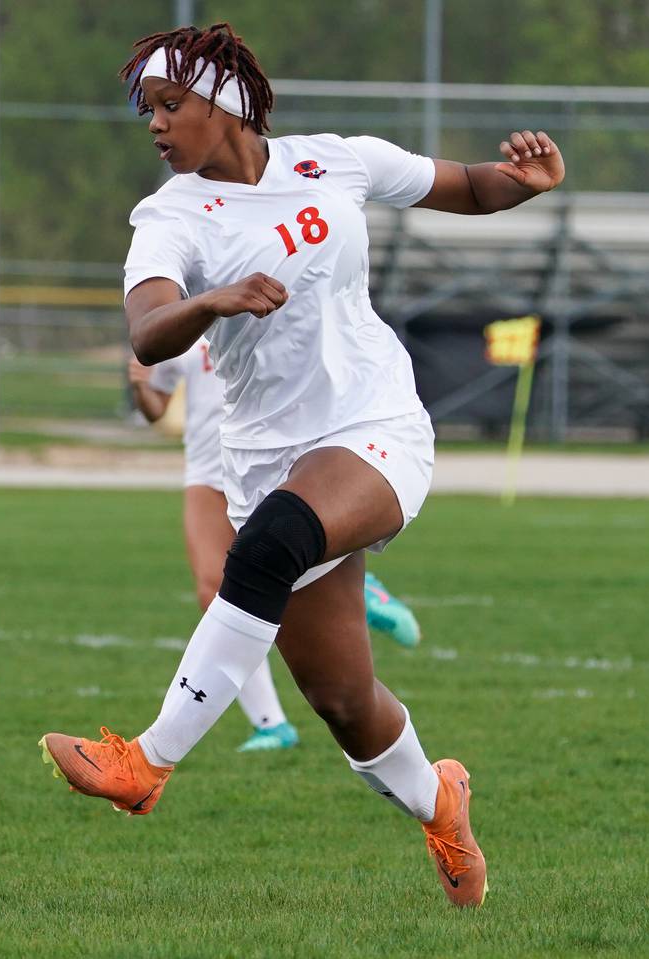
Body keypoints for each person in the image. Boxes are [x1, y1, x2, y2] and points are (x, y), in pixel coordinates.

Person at [42, 22, 563, 907]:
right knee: (345, 702)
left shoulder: (338, 160)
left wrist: (523, 182)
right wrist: (211, 300)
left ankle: (146, 761)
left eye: (172, 105)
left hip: (378, 430)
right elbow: (146, 326)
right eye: (149, 113)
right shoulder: (168, 216)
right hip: (264, 463)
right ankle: (442, 804)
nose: (158, 126)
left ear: (229, 101)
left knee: (271, 543)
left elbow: (468, 187)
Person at [128, 341, 424, 753]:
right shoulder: (182, 317)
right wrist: (142, 386)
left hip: (275, 464)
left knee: (275, 571)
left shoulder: (265, 297)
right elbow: (156, 406)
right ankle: (272, 725)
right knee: (213, 590)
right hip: (208, 469)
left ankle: (359, 586)